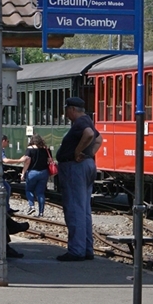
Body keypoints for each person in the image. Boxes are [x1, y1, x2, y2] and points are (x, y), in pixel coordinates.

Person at [54, 97, 100, 261]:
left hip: (75, 167)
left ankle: (76, 250)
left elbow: (88, 135)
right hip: (87, 165)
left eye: (66, 109)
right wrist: (89, 154)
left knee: (74, 209)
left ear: (72, 109)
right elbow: (98, 139)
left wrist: (77, 152)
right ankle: (87, 248)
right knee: (84, 209)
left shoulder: (80, 123)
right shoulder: (88, 120)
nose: (65, 113)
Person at [7, 134, 51, 217]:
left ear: (32, 140)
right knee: (40, 193)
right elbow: (49, 160)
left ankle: (32, 206)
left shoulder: (30, 149)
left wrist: (23, 173)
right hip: (44, 172)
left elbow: (27, 162)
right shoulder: (46, 149)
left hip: (32, 173)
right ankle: (41, 213)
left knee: (29, 190)